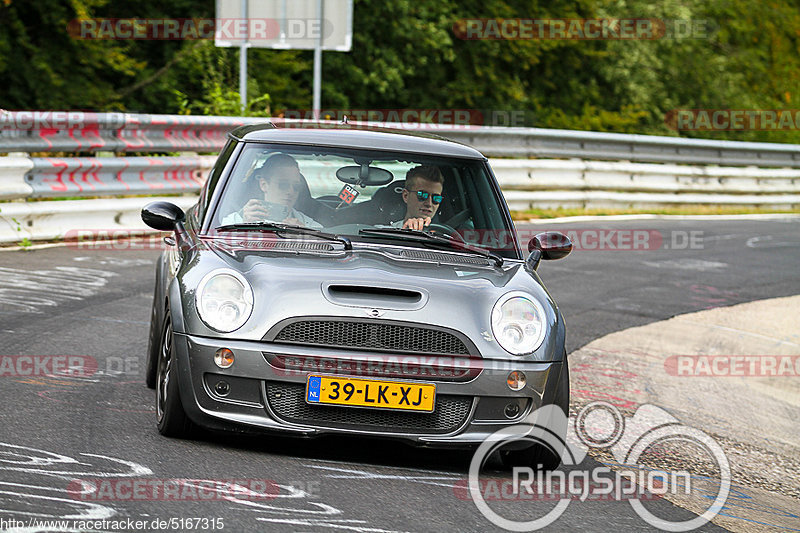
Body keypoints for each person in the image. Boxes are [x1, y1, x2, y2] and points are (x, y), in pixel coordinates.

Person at [222, 154, 323, 229]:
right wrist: (245, 226)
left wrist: (303, 234)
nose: (291, 191)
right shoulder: (233, 222)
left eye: (296, 187)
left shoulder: (309, 226)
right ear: (264, 185)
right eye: (283, 185)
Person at [392, 165, 444, 230]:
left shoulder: (446, 237)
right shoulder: (382, 232)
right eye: (422, 195)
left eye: (436, 198)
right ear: (406, 196)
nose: (429, 204)